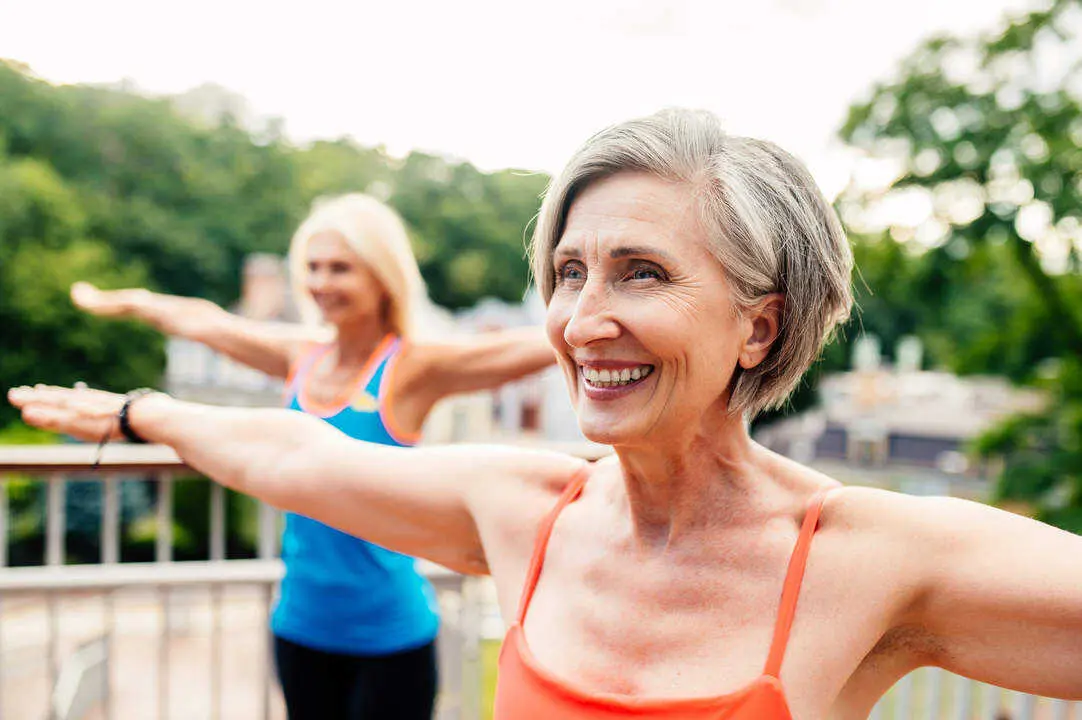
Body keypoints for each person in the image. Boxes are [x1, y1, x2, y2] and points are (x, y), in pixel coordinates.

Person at [10, 109, 1082, 720]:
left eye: (640, 274)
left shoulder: (870, 555)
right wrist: (141, 412)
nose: (581, 319)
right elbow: (292, 455)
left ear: (758, 328)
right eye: (568, 273)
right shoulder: (525, 505)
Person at [64, 193, 556, 720]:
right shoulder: (300, 355)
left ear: (380, 276)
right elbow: (208, 322)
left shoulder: (412, 367)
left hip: (390, 636)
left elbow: (533, 346)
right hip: (300, 628)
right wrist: (130, 301)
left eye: (340, 268)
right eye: (313, 268)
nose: (321, 284)